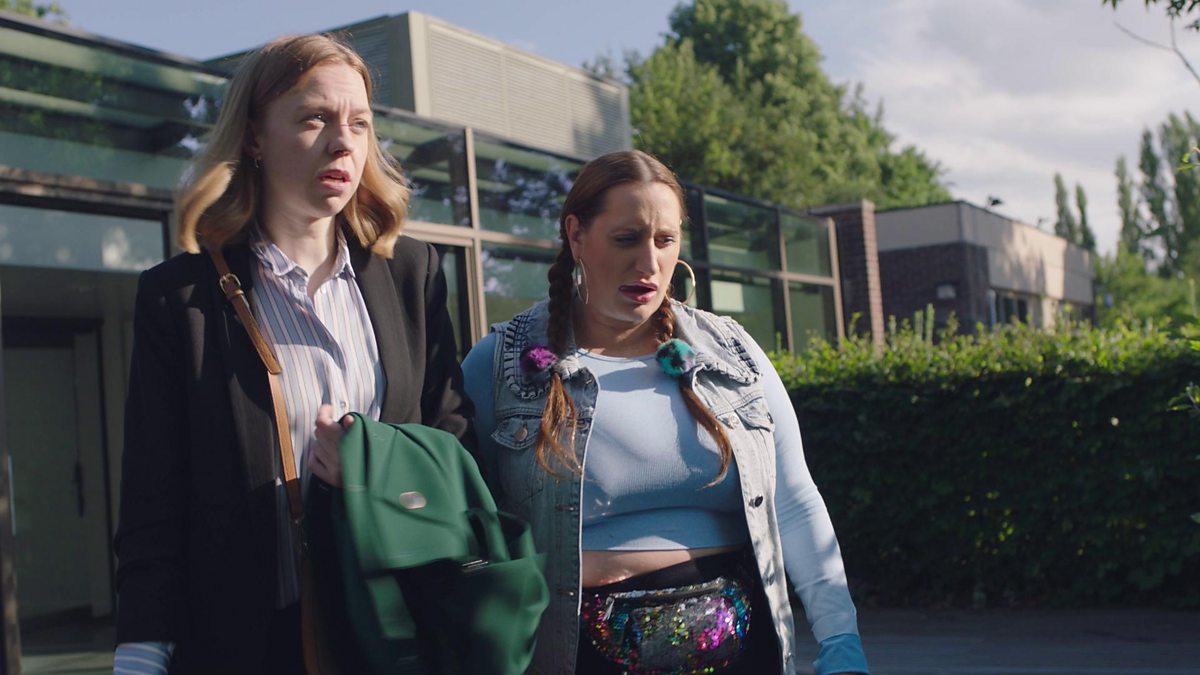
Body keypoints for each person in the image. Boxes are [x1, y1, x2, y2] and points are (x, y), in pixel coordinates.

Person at [112, 34, 471, 674]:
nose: (343, 143)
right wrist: (141, 650)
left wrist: (371, 460)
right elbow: (153, 494)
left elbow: (453, 440)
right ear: (253, 137)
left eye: (359, 124)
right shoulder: (180, 297)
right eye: (314, 119)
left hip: (394, 631)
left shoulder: (411, 273)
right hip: (245, 642)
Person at [462, 150, 869, 674]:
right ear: (576, 235)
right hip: (576, 657)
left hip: (747, 656)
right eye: (626, 238)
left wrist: (840, 639)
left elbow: (793, 500)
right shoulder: (502, 363)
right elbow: (467, 523)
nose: (649, 263)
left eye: (665, 240)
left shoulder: (732, 351)